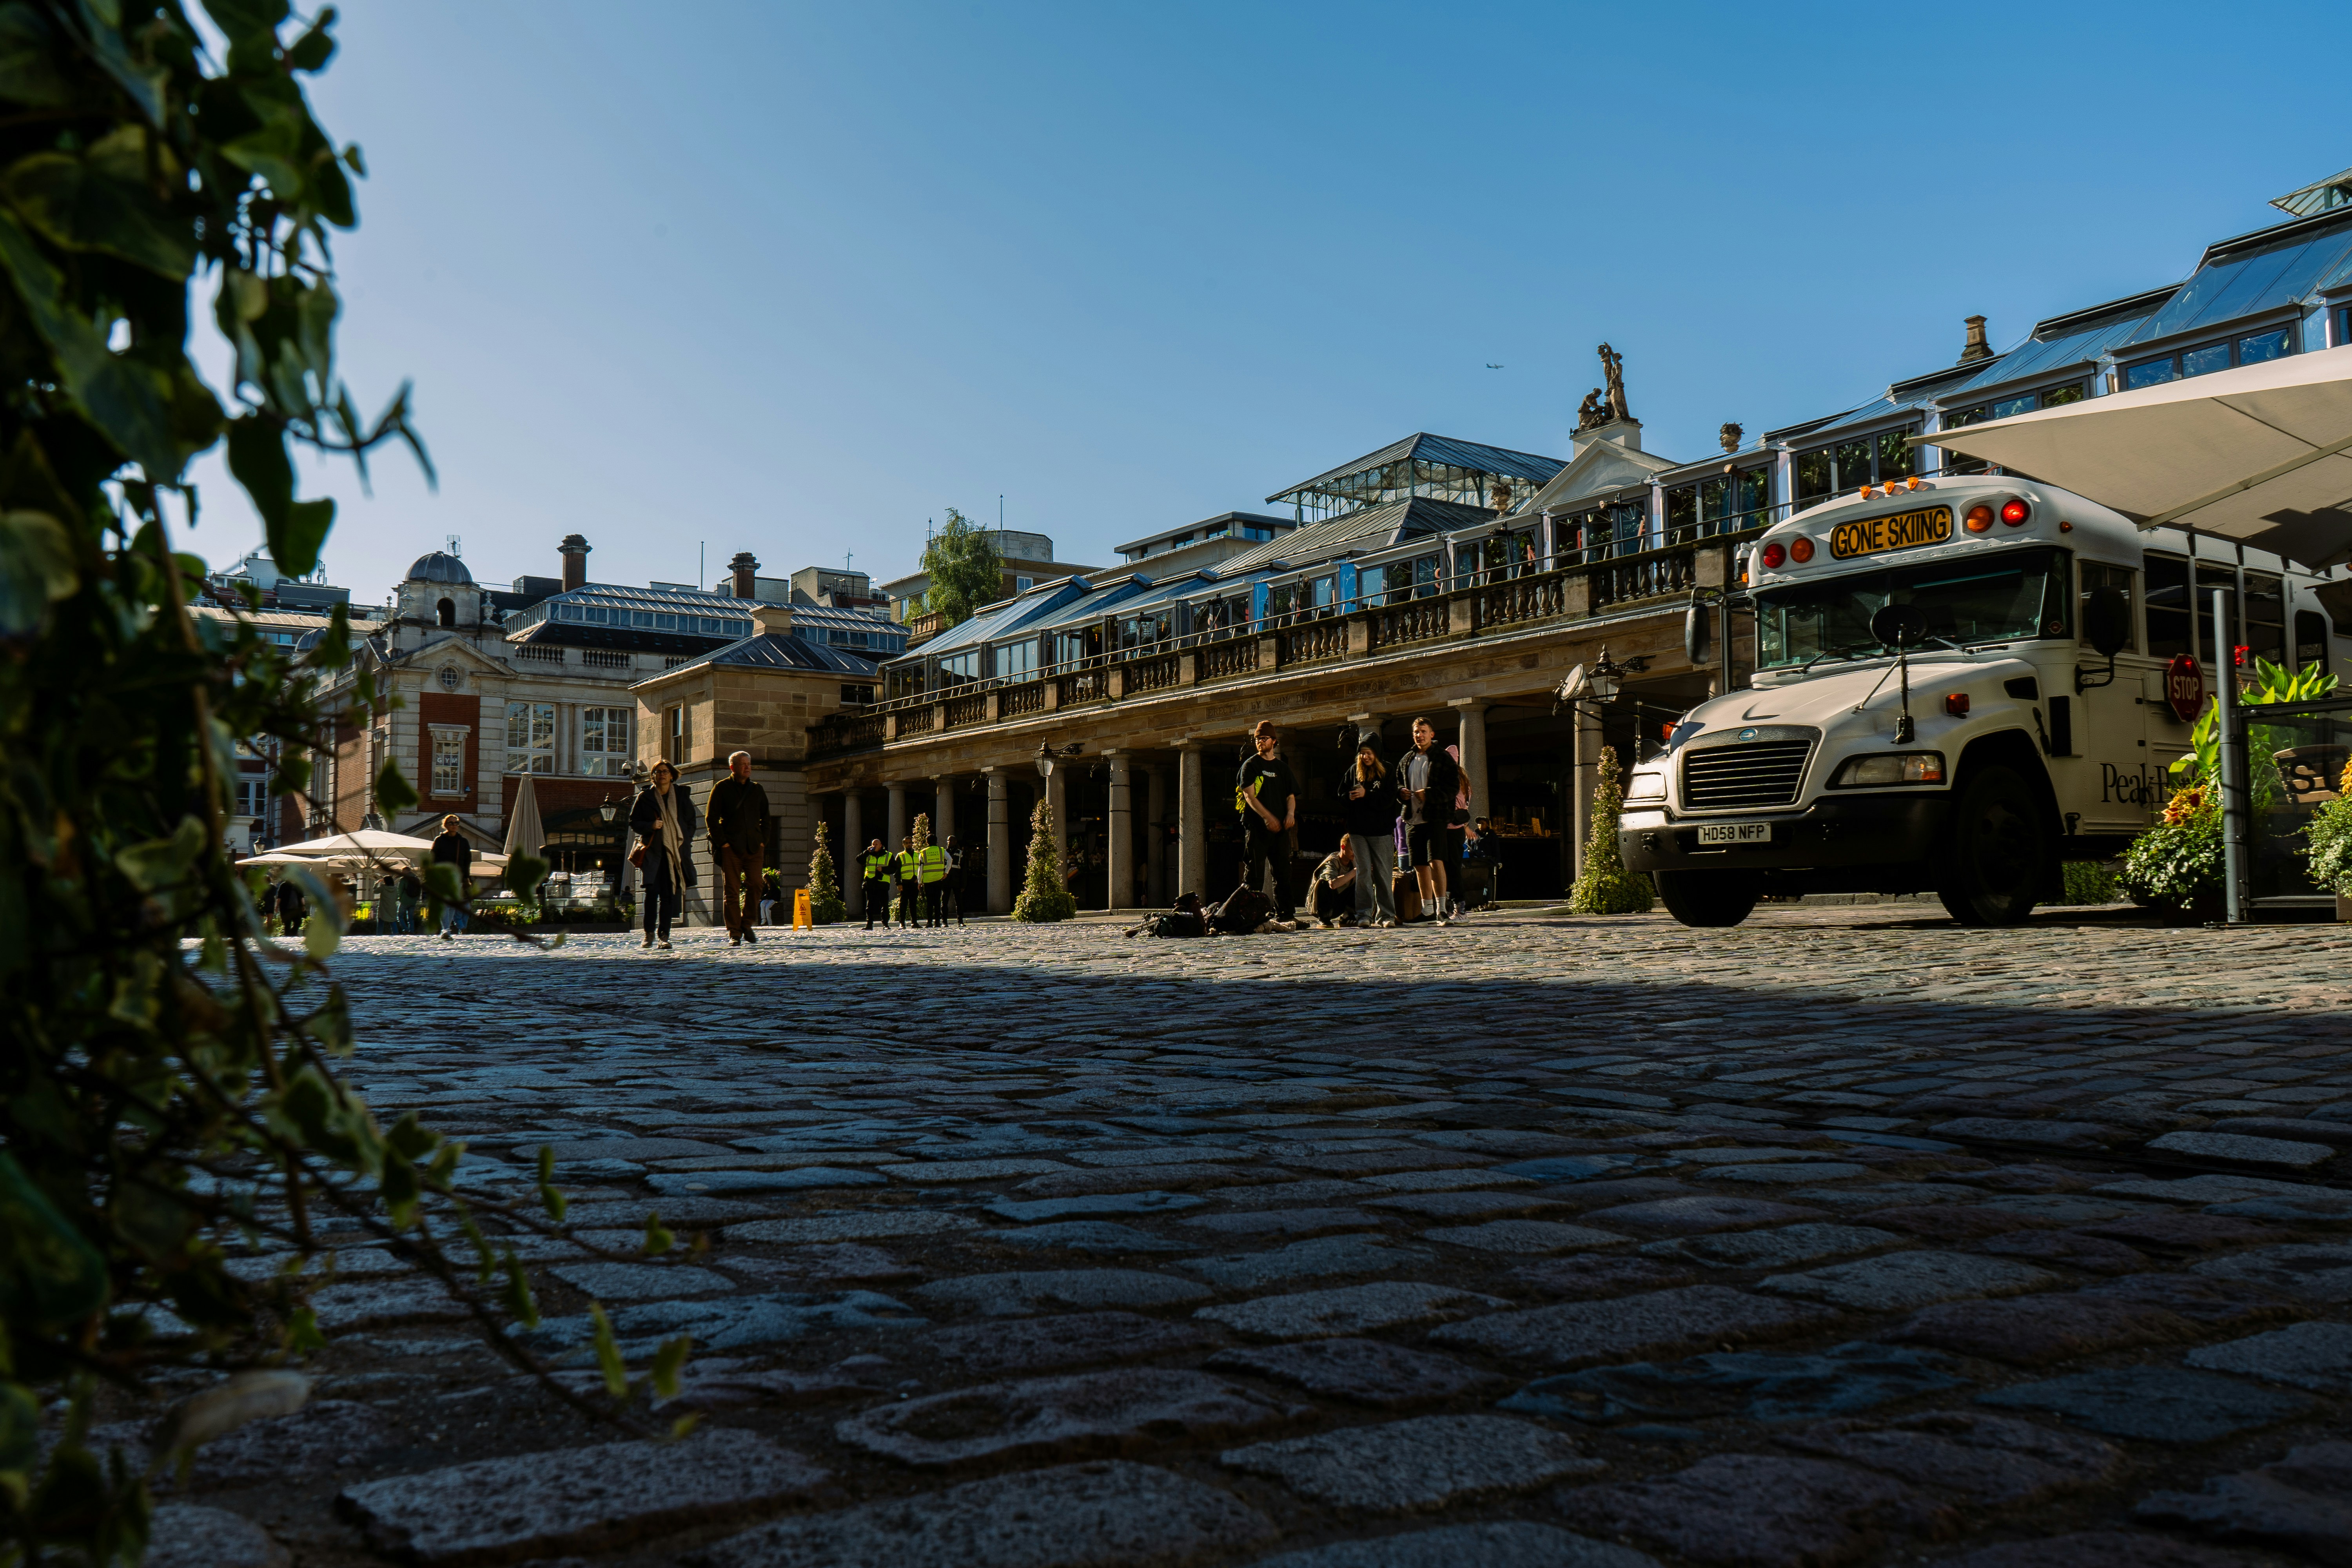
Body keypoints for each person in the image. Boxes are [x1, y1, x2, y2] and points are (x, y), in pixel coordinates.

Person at [1234, 719, 1299, 930]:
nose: (1260, 742)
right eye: (1257, 739)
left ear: (1274, 741)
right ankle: (1250, 916)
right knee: (1254, 873)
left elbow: (1291, 795)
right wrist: (1267, 817)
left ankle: (1286, 915)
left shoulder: (1282, 768)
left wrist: (1290, 814)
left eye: (1264, 739)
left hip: (1281, 829)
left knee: (1282, 872)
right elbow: (1250, 796)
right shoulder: (1251, 766)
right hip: (1257, 827)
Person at [1399, 716, 1462, 925]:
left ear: (1432, 735)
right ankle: (1426, 910)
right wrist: (1402, 793)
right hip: (1413, 818)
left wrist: (1430, 794)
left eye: (1424, 731)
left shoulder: (1443, 758)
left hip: (1436, 817)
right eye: (1417, 732)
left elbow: (1453, 789)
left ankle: (1441, 910)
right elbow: (1396, 785)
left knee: (1437, 861)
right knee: (1419, 864)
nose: (1420, 735)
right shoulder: (1407, 759)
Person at [628, 762, 699, 949]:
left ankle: (664, 936)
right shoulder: (646, 796)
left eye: (665, 772)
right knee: (651, 894)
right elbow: (634, 821)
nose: (662, 775)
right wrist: (650, 826)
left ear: (672, 775)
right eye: (658, 772)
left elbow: (691, 821)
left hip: (675, 853)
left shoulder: (682, 796)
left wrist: (685, 840)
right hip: (653, 852)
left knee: (669, 896)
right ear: (653, 776)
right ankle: (649, 934)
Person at [706, 749, 769, 947]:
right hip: (731, 848)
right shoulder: (722, 788)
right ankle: (734, 932)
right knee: (732, 891)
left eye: (749, 764)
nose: (747, 767)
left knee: (757, 885)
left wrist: (763, 841)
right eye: (743, 764)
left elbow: (766, 817)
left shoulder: (757, 789)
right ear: (732, 767)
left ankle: (747, 923)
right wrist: (723, 843)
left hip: (754, 847)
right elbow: (711, 818)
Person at [1339, 738, 1403, 928]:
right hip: (1358, 831)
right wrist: (1350, 797)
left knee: (1383, 873)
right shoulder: (1354, 771)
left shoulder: (1388, 770)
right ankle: (1364, 915)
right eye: (1363, 753)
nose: (1365, 757)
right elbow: (1340, 795)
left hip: (1381, 830)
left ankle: (1386, 916)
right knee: (1363, 873)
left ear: (1377, 753)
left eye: (1369, 753)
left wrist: (1367, 795)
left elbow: (1390, 799)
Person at [430, 813, 472, 938]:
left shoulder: (463, 842)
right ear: (446, 825)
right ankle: (446, 930)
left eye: (457, 823)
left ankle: (446, 929)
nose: (455, 825)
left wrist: (466, 877)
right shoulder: (440, 840)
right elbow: (433, 858)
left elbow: (467, 861)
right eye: (452, 823)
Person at [1307, 836, 1356, 927]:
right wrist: (1355, 872)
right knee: (1324, 883)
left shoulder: (1354, 862)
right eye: (1352, 850)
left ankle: (1348, 917)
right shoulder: (1332, 862)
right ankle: (1324, 918)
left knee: (1360, 881)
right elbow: (1333, 884)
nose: (1355, 853)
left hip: (1339, 904)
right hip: (1320, 906)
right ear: (1343, 847)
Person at [858, 837, 892, 929]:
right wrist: (866, 852)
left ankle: (885, 924)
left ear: (881, 846)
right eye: (873, 844)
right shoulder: (868, 854)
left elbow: (894, 869)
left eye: (876, 844)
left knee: (885, 905)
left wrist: (884, 869)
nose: (874, 846)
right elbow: (859, 860)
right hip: (870, 883)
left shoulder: (888, 855)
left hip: (883, 884)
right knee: (870, 906)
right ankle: (869, 924)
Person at [916, 835, 950, 926]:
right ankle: (937, 922)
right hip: (939, 879)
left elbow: (921, 868)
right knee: (937, 902)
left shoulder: (923, 852)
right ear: (936, 841)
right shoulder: (941, 850)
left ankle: (929, 922)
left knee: (930, 903)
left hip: (928, 880)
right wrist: (946, 872)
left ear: (927, 842)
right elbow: (950, 859)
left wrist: (920, 881)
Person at [892, 835, 920, 928]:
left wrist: (920, 880)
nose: (909, 844)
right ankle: (902, 923)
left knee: (913, 903)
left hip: (915, 882)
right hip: (905, 882)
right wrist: (898, 883)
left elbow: (921, 868)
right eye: (907, 843)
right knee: (903, 904)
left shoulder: (918, 854)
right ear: (904, 845)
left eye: (910, 843)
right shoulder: (900, 856)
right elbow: (897, 871)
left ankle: (914, 923)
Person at [942, 835, 967, 925]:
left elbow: (964, 870)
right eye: (948, 841)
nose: (949, 842)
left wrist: (963, 884)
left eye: (951, 841)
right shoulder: (944, 853)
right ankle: (944, 921)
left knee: (959, 902)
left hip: (957, 881)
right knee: (944, 902)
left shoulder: (960, 853)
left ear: (955, 842)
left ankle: (960, 921)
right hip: (946, 881)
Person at [392, 870, 421, 935]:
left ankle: (406, 930)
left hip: (404, 901)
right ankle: (412, 931)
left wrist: (400, 898)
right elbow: (420, 890)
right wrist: (417, 899)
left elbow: (400, 890)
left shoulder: (403, 879)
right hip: (413, 901)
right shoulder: (417, 879)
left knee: (400, 916)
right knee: (411, 918)